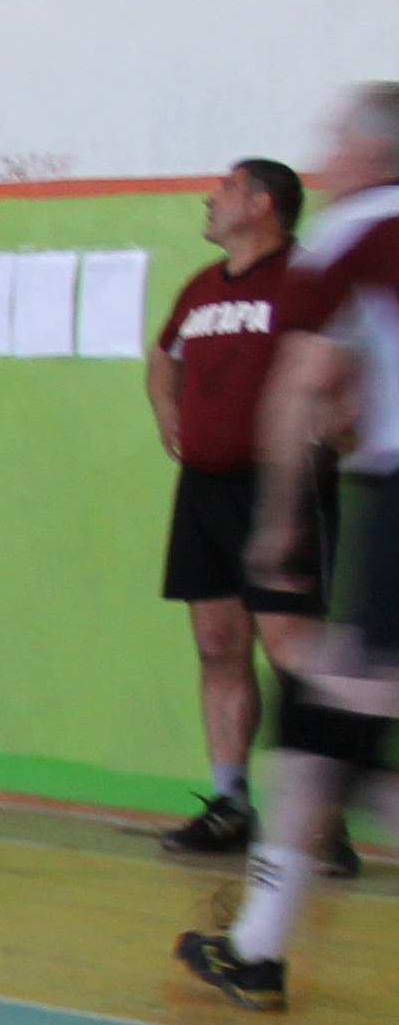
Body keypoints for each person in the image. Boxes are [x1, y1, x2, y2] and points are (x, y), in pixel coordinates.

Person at [178, 86, 399, 1010]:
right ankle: (256, 951)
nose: (327, 158)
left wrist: (276, 525)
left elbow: (304, 384)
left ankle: (260, 951)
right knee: (332, 733)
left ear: (372, 154)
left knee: (324, 737)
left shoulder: (352, 233)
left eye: (336, 142)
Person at [147, 158, 349, 868]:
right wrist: (166, 407)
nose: (211, 198)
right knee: (217, 645)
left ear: (262, 203)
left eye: (227, 189)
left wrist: (338, 429)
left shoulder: (307, 280)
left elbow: (352, 366)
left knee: (294, 651)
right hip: (203, 490)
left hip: (281, 489)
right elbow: (162, 356)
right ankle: (231, 804)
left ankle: (323, 824)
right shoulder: (201, 288)